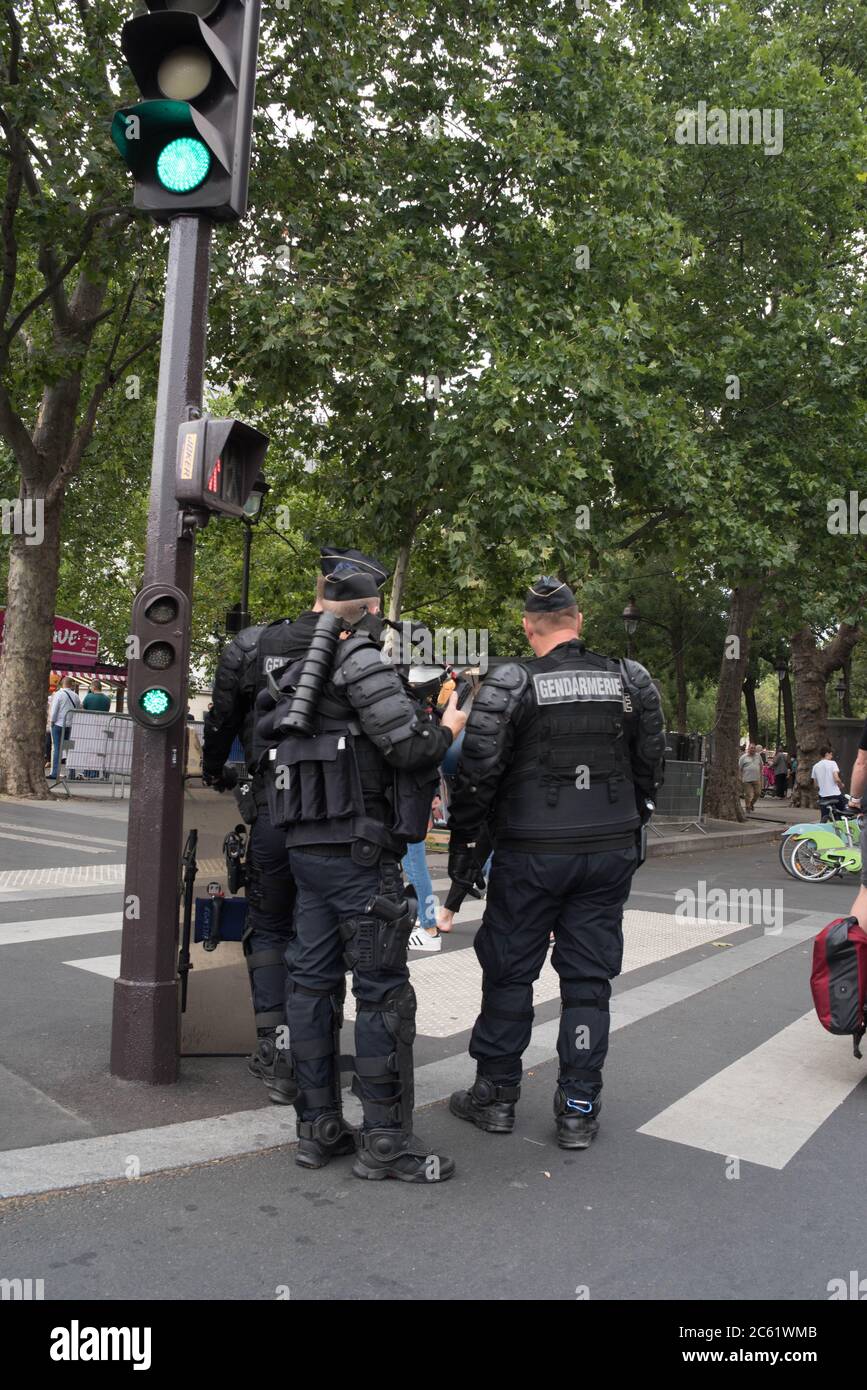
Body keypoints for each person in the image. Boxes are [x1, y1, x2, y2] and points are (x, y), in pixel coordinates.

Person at [256, 558, 466, 1179]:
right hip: (360, 855)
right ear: (372, 609)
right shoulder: (362, 665)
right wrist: (447, 726)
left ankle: (317, 1130)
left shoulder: (289, 674)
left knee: (311, 987)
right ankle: (383, 1141)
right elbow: (411, 748)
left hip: (303, 854)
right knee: (382, 995)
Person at [444, 576, 665, 1151]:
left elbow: (476, 778)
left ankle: (495, 1097)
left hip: (531, 852)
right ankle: (577, 1108)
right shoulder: (630, 678)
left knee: (510, 970)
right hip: (607, 849)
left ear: (526, 625)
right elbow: (650, 766)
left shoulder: (511, 682)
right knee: (588, 982)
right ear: (579, 619)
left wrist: (468, 858)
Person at [202, 545, 381, 1103]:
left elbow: (221, 721)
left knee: (273, 929)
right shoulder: (374, 651)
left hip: (276, 814)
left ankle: (278, 1054)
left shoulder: (253, 644)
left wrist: (217, 773)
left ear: (317, 592)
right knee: (336, 936)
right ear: (366, 604)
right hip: (343, 821)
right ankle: (322, 1053)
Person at [49, 677, 80, 778]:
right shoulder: (76, 696)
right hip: (70, 726)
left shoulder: (58, 694)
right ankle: (72, 773)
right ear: (71, 685)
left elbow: (54, 710)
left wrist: (52, 721)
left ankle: (55, 773)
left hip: (58, 725)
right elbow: (78, 710)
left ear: (62, 684)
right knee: (69, 749)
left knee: (57, 749)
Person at [811, 746, 848, 820]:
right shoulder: (832, 763)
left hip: (823, 796)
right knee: (843, 813)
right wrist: (841, 785)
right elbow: (836, 779)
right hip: (835, 795)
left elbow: (815, 785)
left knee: (824, 816)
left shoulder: (815, 766)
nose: (832, 756)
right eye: (831, 754)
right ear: (827, 754)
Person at [738, 742, 762, 814]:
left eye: (754, 748)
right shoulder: (743, 757)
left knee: (758, 793)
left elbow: (761, 765)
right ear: (748, 749)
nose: (753, 749)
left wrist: (760, 774)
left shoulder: (758, 756)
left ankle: (751, 804)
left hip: (756, 778)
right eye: (751, 748)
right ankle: (747, 807)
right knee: (748, 794)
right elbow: (739, 768)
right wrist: (740, 777)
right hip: (746, 779)